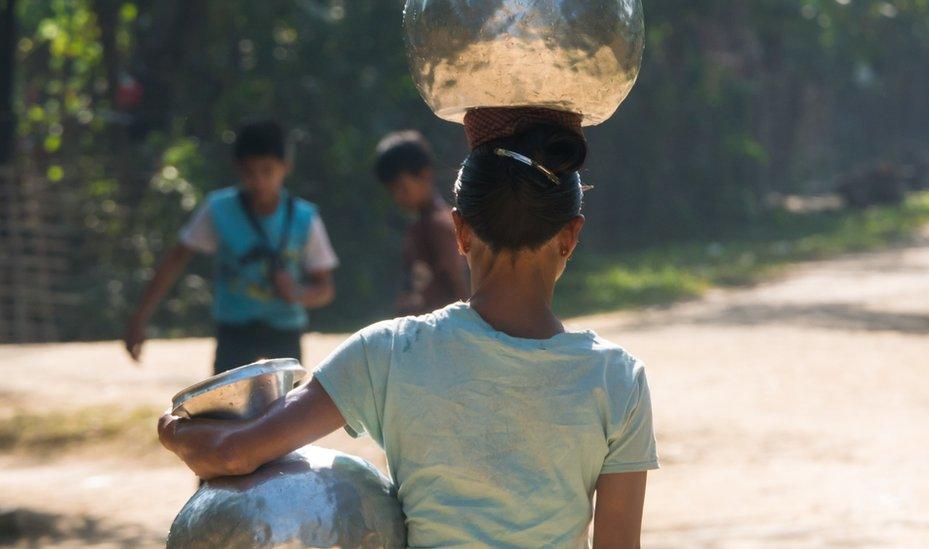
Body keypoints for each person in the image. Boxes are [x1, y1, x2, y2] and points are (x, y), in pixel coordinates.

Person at [158, 122, 658, 548]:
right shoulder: (619, 379)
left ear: (460, 231)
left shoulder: (389, 351)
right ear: (570, 236)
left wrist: (172, 429)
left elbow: (232, 453)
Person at [124, 120, 340, 373]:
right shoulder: (218, 209)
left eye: (267, 171)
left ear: (286, 168)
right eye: (250, 172)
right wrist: (139, 318)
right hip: (234, 332)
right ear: (238, 169)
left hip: (284, 331)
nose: (258, 181)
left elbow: (325, 288)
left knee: (290, 409)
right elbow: (176, 260)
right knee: (225, 409)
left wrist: (297, 293)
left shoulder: (305, 218)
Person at [374, 130, 468, 315]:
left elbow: (459, 283)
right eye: (392, 191)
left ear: (424, 175)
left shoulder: (438, 225)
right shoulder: (421, 226)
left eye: (402, 188)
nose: (397, 197)